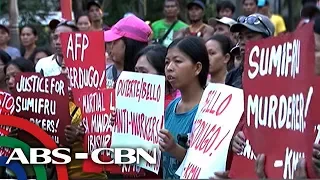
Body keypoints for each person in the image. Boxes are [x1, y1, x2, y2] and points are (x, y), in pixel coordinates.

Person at [160, 36, 209, 179]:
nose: (169, 68)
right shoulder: (171, 107)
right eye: (167, 62)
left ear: (197, 68)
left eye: (178, 61)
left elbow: (205, 164)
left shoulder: (208, 111)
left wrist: (174, 148)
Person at [225, 13, 275, 89]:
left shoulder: (278, 74)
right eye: (241, 37)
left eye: (249, 37)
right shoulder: (232, 76)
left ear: (267, 40)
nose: (242, 42)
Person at [104, 15, 151, 88]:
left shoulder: (149, 78)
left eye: (114, 41)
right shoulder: (104, 74)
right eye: (108, 42)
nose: (109, 47)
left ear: (130, 44)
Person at [134, 44, 177, 108]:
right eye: (136, 71)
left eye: (144, 72)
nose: (137, 77)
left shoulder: (175, 107)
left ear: (164, 74)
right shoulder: (131, 101)